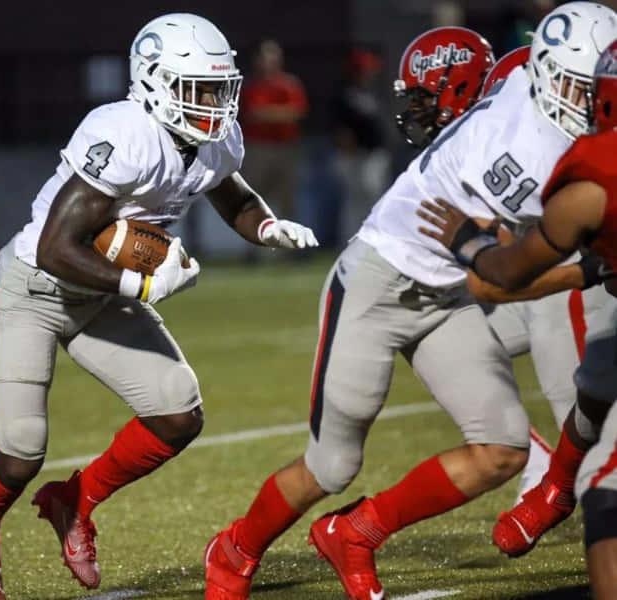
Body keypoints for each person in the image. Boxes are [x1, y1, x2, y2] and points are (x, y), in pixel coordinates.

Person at [203, 4, 617, 599]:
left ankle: (356, 532)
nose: (592, 100)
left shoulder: (536, 89)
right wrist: (594, 267)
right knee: (332, 465)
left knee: (501, 447)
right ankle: (235, 549)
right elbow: (494, 280)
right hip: (381, 283)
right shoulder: (523, 147)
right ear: (552, 77)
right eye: (584, 87)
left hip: (443, 291)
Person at [0, 13, 318, 600]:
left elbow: (231, 192)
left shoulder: (216, 135)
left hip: (101, 291)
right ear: (153, 81)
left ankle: (76, 500)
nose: (214, 103)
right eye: (198, 88)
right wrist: (141, 288)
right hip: (35, 287)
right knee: (21, 452)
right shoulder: (124, 132)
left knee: (179, 413)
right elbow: (54, 247)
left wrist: (268, 226)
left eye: (219, 88)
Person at [416, 37, 617, 598]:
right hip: (565, 276)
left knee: (597, 438)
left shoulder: (577, 157)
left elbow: (502, 274)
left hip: (573, 286)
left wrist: (474, 250)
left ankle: (558, 484)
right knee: (435, 333)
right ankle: (551, 479)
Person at [239, 39, 308, 222]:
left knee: (287, 195)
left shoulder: (290, 84)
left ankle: (289, 243)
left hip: (286, 147)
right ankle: (254, 241)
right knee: (256, 194)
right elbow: (252, 113)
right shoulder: (251, 86)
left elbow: (296, 112)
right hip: (258, 148)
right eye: (264, 56)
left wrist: (268, 113)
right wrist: (279, 113)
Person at [331, 47, 391, 242]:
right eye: (366, 70)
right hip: (357, 155)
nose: (370, 73)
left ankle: (374, 239)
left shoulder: (372, 92)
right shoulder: (345, 93)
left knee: (375, 198)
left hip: (374, 155)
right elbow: (341, 129)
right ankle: (351, 240)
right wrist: (349, 154)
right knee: (354, 201)